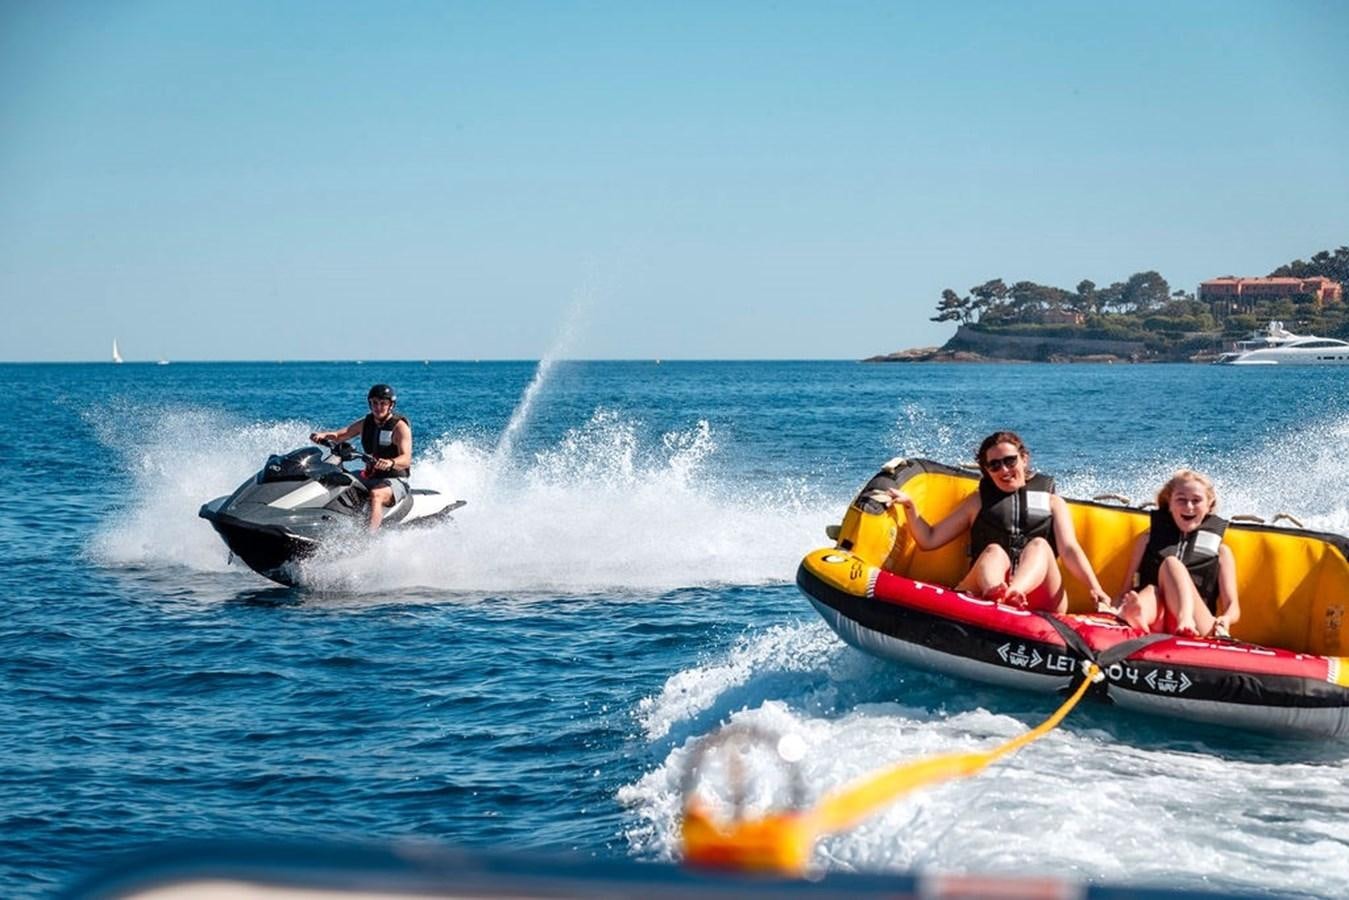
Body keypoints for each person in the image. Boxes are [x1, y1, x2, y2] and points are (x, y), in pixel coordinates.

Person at [886, 431, 1112, 613]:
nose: (1004, 470)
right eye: (994, 465)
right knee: (993, 551)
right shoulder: (977, 502)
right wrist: (909, 506)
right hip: (984, 586)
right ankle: (998, 593)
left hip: (1040, 596)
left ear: (1024, 459)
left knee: (1040, 546)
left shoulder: (1053, 503)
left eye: (1010, 461)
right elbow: (929, 539)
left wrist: (1096, 588)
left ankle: (1013, 593)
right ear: (986, 471)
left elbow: (1070, 549)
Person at [1107, 470, 1239, 638]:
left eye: (1196, 501)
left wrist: (1226, 619)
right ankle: (1136, 616)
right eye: (1181, 500)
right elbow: (1125, 590)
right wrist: (1111, 609)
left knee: (1171, 563)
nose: (1189, 507)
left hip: (1200, 626)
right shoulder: (1146, 540)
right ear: (1169, 503)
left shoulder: (1221, 552)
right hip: (1158, 617)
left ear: (1209, 504)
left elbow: (1232, 605)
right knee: (1151, 591)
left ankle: (1185, 617)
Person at [309, 383, 412, 531]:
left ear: (391, 405)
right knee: (334, 479)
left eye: (383, 403)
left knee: (376, 495)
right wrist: (323, 435)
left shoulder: (399, 427)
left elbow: (406, 459)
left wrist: (390, 463)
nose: (378, 407)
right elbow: (340, 435)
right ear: (369, 404)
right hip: (371, 476)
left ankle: (368, 539)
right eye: (374, 403)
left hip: (395, 480)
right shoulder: (366, 423)